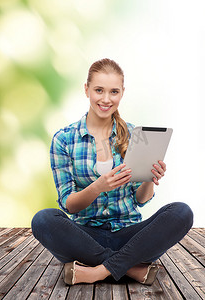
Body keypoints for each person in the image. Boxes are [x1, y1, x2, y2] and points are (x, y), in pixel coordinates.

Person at [31, 58, 193, 286]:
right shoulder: (64, 140)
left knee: (181, 213)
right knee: (43, 220)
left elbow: (141, 200)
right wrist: (99, 186)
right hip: (85, 237)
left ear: (122, 93)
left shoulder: (136, 134)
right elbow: (69, 205)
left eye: (114, 92)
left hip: (131, 236)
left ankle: (97, 271)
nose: (106, 99)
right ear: (86, 89)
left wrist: (150, 179)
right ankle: (131, 268)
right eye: (99, 90)